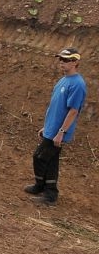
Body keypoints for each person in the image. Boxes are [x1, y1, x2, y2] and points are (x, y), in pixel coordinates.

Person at [23, 48, 87, 206]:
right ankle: (44, 189)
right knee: (49, 159)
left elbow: (73, 111)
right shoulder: (63, 80)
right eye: (61, 60)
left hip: (59, 131)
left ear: (75, 62)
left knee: (41, 156)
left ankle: (48, 192)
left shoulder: (78, 84)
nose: (62, 63)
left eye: (66, 61)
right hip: (52, 129)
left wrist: (61, 132)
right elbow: (56, 107)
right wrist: (47, 127)